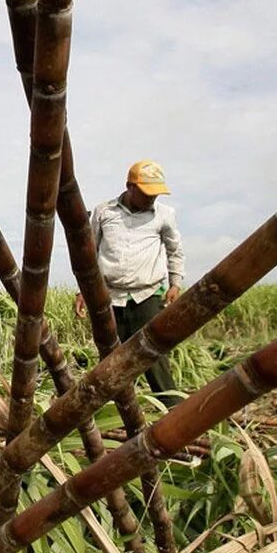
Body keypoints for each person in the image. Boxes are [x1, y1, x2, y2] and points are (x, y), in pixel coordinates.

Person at [74, 159, 185, 406]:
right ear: (129, 187)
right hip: (108, 298)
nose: (151, 199)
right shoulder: (104, 212)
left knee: (153, 358)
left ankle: (172, 410)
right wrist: (84, 290)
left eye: (155, 194)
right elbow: (89, 254)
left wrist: (175, 283)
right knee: (111, 361)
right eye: (146, 193)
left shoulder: (164, 215)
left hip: (147, 295)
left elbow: (174, 250)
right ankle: (119, 413)